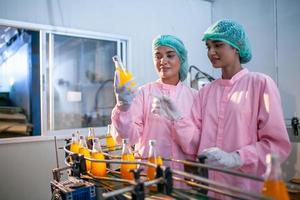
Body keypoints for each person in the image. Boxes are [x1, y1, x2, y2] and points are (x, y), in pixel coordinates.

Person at [152, 19, 291, 197]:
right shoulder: (206, 92)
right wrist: (178, 118)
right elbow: (195, 145)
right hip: (210, 188)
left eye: (217, 45)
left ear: (236, 48)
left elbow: (276, 145)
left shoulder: (260, 84)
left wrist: (236, 158)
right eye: (208, 47)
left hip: (244, 188)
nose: (211, 52)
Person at [111, 35, 198, 181]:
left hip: (184, 178)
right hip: (148, 177)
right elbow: (128, 139)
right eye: (158, 56)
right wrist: (123, 107)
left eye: (170, 55)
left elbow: (196, 144)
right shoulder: (143, 93)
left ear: (181, 59)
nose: (163, 61)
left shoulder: (195, 97)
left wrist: (179, 120)